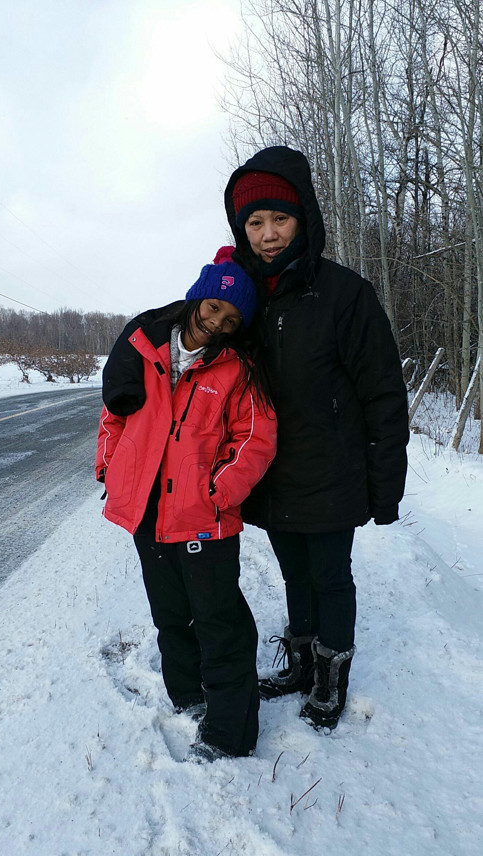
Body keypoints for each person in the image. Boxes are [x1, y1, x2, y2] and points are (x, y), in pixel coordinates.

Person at [223, 145, 409, 730]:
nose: (269, 234)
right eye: (255, 222)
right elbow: (190, 334)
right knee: (294, 575)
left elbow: (383, 395)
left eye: (280, 218)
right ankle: (301, 665)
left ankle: (330, 680)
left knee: (330, 578)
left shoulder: (345, 295)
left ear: (304, 217)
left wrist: (385, 489)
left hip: (330, 475)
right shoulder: (244, 301)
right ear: (240, 228)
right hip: (273, 476)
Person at [95, 255, 277, 761]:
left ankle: (228, 733)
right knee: (171, 616)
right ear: (199, 296)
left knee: (219, 625)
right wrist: (112, 470)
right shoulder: (144, 347)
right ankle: (188, 697)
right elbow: (113, 416)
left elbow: (257, 438)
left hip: (204, 520)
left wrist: (216, 492)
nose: (217, 322)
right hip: (146, 515)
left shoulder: (237, 368)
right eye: (214, 307)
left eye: (231, 320)